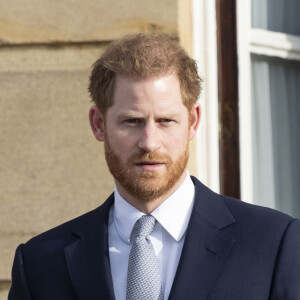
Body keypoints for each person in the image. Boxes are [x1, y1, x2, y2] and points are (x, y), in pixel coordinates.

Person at [9, 33, 300, 300]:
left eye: (165, 121)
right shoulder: (39, 264)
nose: (149, 143)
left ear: (193, 121)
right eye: (132, 121)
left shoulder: (274, 245)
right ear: (99, 124)